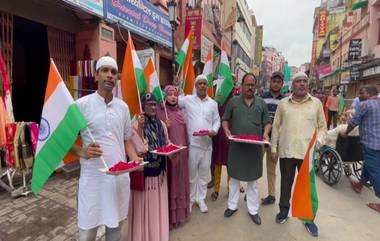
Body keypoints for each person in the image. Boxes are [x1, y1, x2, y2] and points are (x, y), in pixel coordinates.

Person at [70, 56, 141, 241]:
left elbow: (127, 140)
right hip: (93, 179)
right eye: (105, 70)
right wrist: (82, 152)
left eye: (113, 72)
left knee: (115, 231)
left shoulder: (123, 107)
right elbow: (63, 139)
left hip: (118, 179)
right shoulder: (81, 105)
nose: (110, 75)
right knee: (87, 234)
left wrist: (134, 158)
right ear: (96, 76)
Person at [271, 72, 327, 237]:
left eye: (304, 81)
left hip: (307, 154)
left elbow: (322, 127)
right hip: (287, 151)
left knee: (307, 188)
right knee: (286, 184)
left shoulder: (316, 104)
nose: (302, 84)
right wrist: (273, 148)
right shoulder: (283, 104)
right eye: (298, 81)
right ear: (292, 85)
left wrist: (319, 141)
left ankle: (308, 218)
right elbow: (276, 126)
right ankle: (283, 211)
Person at [222, 73, 270, 225]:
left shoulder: (261, 103)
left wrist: (266, 133)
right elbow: (225, 119)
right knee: (234, 179)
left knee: (253, 181)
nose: (250, 87)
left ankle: (253, 210)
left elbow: (267, 122)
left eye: (252, 85)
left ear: (255, 87)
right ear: (241, 86)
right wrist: (226, 130)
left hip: (254, 149)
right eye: (247, 84)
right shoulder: (233, 102)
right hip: (236, 147)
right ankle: (232, 206)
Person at [128, 93, 170, 241]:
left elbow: (167, 143)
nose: (153, 107)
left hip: (159, 175)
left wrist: (173, 149)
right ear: (143, 106)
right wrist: (140, 128)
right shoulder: (134, 125)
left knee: (158, 207)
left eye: (154, 104)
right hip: (144, 177)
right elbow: (140, 150)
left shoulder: (161, 124)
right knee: (144, 209)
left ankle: (158, 235)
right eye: (149, 104)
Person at [176, 74, 220, 213]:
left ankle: (200, 199)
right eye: (199, 83)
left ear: (207, 86)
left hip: (207, 144)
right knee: (192, 173)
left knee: (203, 173)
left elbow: (217, 120)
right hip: (193, 144)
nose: (202, 86)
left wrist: (214, 130)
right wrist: (177, 85)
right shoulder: (188, 100)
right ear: (195, 86)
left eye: (204, 84)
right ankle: (190, 199)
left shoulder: (213, 103)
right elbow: (175, 101)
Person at [157, 85, 190, 228]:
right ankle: (169, 217)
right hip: (169, 156)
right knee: (170, 182)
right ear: (165, 96)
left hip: (181, 154)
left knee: (179, 181)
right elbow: (157, 133)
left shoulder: (179, 112)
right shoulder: (160, 112)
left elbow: (184, 132)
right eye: (169, 94)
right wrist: (164, 124)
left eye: (175, 94)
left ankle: (179, 216)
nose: (172, 97)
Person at [343, 85, 380, 213]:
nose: (359, 95)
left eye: (361, 93)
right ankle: (360, 184)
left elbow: (353, 122)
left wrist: (346, 133)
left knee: (375, 171)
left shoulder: (365, 105)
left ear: (369, 94)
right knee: (370, 165)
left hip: (371, 143)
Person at [260, 71, 284, 205]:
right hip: (262, 138)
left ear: (281, 84)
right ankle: (252, 192)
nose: (275, 84)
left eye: (278, 82)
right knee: (255, 166)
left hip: (276, 141)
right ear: (270, 82)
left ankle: (271, 195)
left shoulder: (285, 100)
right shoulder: (262, 97)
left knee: (271, 168)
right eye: (273, 81)